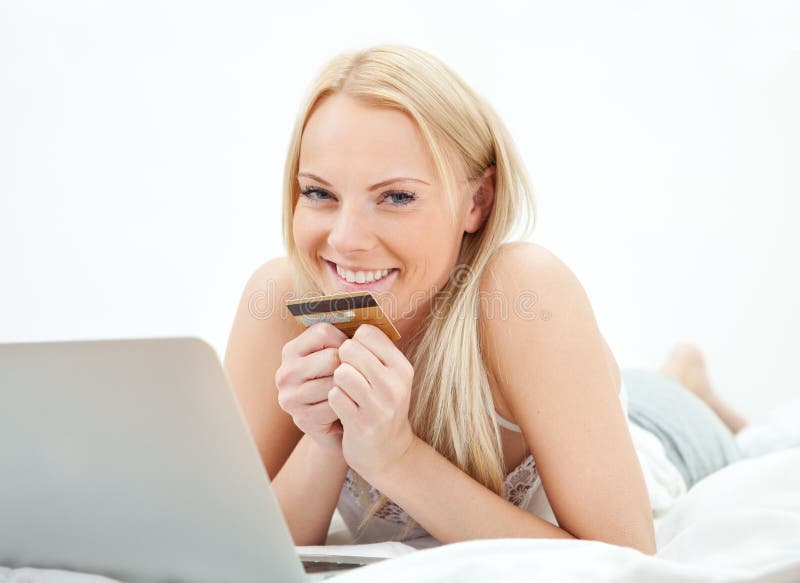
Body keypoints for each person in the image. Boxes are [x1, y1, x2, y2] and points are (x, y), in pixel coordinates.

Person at [222, 44, 746, 556]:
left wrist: (395, 457)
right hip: (565, 392)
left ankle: (685, 381)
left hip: (661, 434)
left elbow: (623, 557)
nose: (346, 238)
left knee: (671, 399)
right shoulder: (277, 302)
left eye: (397, 197)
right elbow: (235, 555)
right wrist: (326, 441)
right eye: (319, 193)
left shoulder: (523, 289)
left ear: (477, 201)